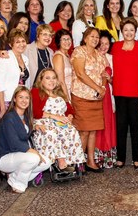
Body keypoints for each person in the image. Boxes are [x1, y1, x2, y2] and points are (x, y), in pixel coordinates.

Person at [0, 86, 52, 193]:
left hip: (19, 156)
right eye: (21, 97)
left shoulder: (25, 116)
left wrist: (34, 127)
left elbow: (23, 131)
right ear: (15, 99)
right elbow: (14, 143)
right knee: (34, 159)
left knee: (47, 162)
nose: (24, 101)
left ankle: (14, 176)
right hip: (5, 157)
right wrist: (33, 151)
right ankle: (19, 184)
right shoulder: (9, 117)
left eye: (27, 98)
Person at [111, 18, 138, 168]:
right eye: (125, 30)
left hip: (136, 93)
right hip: (119, 92)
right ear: (122, 31)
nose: (128, 33)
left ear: (135, 31)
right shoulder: (115, 47)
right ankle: (120, 158)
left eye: (131, 30)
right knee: (120, 127)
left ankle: (136, 158)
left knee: (136, 126)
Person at [31, 69, 85, 170]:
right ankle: (61, 161)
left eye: (54, 78)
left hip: (60, 122)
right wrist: (55, 117)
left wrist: (69, 116)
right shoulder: (36, 92)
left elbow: (70, 109)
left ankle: (73, 162)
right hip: (44, 121)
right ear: (41, 80)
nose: (51, 81)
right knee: (53, 131)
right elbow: (35, 112)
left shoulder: (60, 93)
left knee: (72, 131)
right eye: (47, 78)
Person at [71, 27, 109, 172]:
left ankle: (90, 161)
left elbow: (104, 74)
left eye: (96, 37)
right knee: (84, 131)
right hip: (81, 96)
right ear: (85, 38)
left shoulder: (99, 55)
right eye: (91, 36)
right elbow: (80, 73)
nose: (94, 39)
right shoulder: (79, 51)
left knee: (93, 131)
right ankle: (78, 163)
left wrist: (103, 88)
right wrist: (98, 88)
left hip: (95, 98)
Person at [95, 32, 117, 168]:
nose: (104, 46)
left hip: (109, 95)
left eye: (106, 44)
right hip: (95, 94)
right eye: (101, 43)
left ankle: (108, 157)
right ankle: (95, 157)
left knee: (108, 124)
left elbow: (119, 80)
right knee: (97, 125)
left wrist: (110, 79)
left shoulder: (112, 58)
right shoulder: (91, 57)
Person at [0, 29, 29, 109]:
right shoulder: (4, 58)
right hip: (7, 102)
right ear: (10, 44)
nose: (21, 44)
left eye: (23, 41)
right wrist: (2, 108)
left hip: (22, 102)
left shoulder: (25, 59)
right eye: (17, 42)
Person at [52, 29, 74, 100]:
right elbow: (60, 81)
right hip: (63, 93)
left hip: (72, 91)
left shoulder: (69, 56)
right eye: (64, 39)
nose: (67, 42)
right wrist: (67, 100)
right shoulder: (58, 56)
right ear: (59, 42)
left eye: (68, 39)